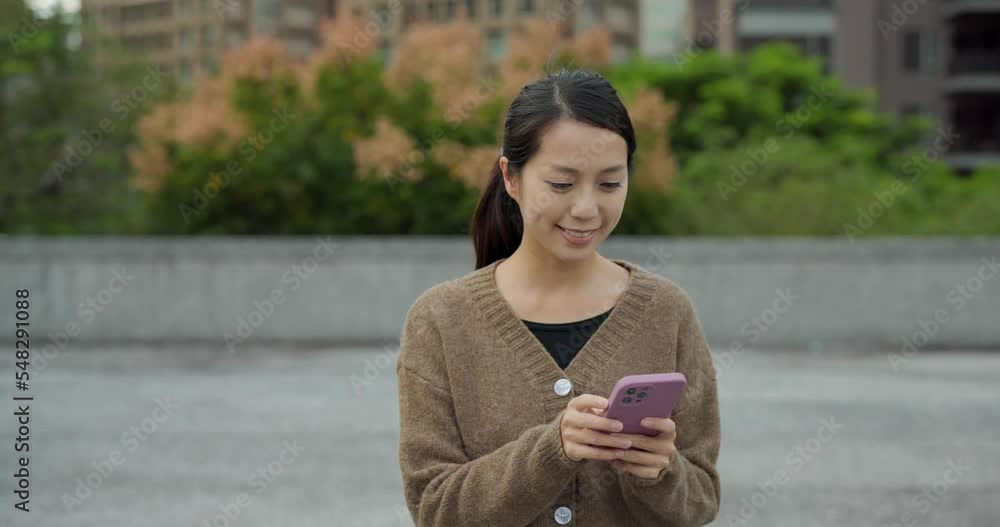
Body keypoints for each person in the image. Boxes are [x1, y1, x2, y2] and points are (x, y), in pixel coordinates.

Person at [396, 68, 720, 526]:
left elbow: (702, 500)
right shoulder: (440, 321)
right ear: (511, 177)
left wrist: (661, 472)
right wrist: (551, 452)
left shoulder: (668, 312)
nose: (586, 209)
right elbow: (435, 509)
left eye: (610, 184)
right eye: (562, 185)